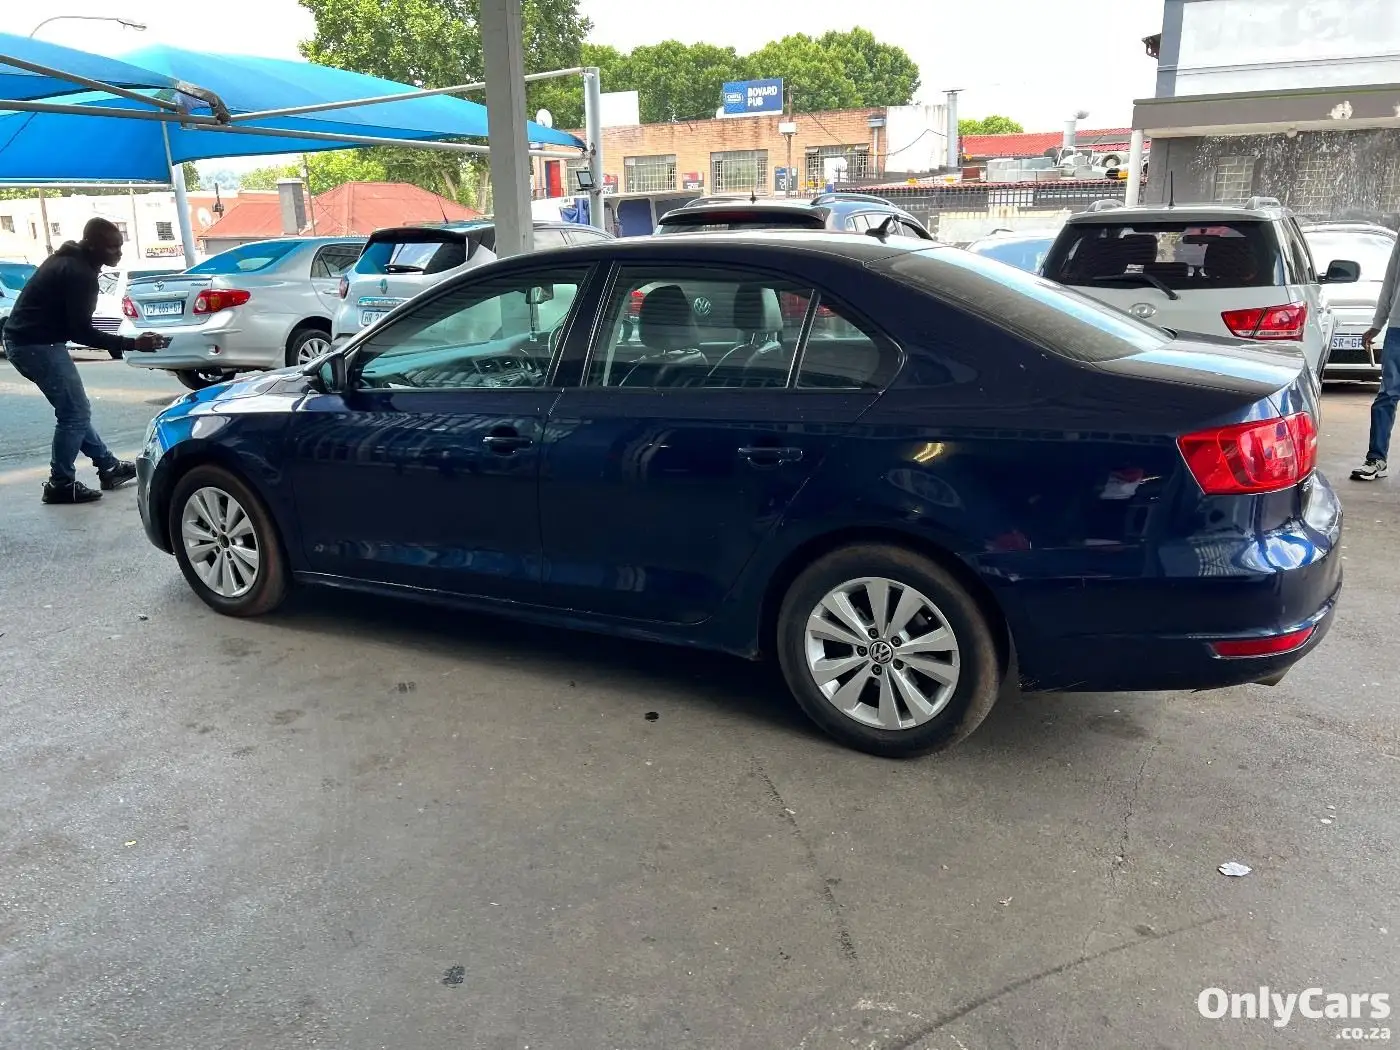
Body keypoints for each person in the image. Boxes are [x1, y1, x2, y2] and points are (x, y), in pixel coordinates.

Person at [2, 217, 165, 504]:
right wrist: (132, 344)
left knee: (73, 411)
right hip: (36, 346)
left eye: (120, 246)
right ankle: (61, 483)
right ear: (91, 245)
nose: (118, 253)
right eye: (112, 247)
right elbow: (81, 332)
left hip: (26, 342)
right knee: (75, 414)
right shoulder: (80, 273)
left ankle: (108, 466)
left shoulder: (68, 260)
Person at [1352, 231, 1400, 481]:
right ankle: (1376, 459)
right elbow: (1391, 280)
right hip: (1398, 328)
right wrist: (1378, 324)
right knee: (1387, 395)